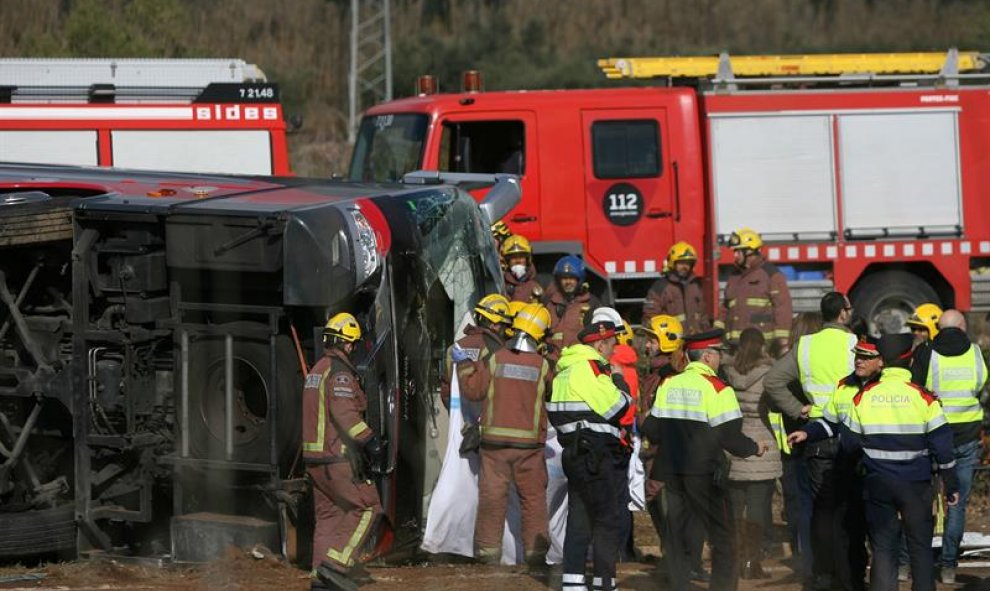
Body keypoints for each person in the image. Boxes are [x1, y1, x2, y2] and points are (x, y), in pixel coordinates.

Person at [643, 328, 768, 591]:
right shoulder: (719, 389)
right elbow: (730, 438)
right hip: (706, 474)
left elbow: (652, 430)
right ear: (708, 357)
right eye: (719, 353)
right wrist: (754, 448)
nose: (721, 359)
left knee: (676, 536)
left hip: (673, 474)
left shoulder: (669, 384)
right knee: (723, 536)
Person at [843, 334, 960, 591]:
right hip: (916, 486)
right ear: (909, 361)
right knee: (919, 547)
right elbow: (943, 448)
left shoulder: (863, 397)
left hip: (877, 485)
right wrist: (951, 485)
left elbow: (849, 446)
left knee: (883, 549)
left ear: (882, 361)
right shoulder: (925, 398)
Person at [764, 292, 856, 590]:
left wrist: (797, 409)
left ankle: (822, 573)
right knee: (852, 507)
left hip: (815, 430)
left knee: (821, 508)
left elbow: (773, 381)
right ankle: (849, 573)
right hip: (850, 429)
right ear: (843, 314)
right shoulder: (855, 343)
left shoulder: (805, 345)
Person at [788, 339, 882, 591]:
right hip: (847, 469)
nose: (858, 361)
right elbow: (830, 421)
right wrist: (808, 433)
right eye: (856, 356)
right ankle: (847, 581)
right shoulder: (844, 385)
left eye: (865, 357)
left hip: (876, 471)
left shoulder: (884, 388)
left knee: (872, 531)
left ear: (880, 361)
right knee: (845, 529)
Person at [462, 302, 552, 565]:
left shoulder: (495, 358)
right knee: (533, 500)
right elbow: (553, 395)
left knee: (492, 500)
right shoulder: (543, 366)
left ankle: (488, 556)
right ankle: (536, 557)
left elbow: (473, 392)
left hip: (494, 446)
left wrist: (466, 365)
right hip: (529, 448)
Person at [547, 320, 632, 591]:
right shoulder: (590, 368)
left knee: (579, 518)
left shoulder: (564, 370)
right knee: (607, 518)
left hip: (574, 451)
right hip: (596, 453)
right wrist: (619, 379)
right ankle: (604, 583)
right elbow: (618, 407)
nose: (614, 351)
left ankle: (573, 583)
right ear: (599, 344)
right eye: (612, 345)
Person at [303, 313, 386, 591]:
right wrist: (369, 441)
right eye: (352, 344)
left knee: (329, 516)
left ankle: (319, 577)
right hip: (336, 457)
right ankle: (335, 566)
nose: (353, 349)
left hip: (315, 460)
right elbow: (345, 412)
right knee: (368, 507)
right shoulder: (339, 372)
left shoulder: (317, 369)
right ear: (345, 343)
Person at [912, 310, 987, 584]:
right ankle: (948, 568)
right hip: (966, 436)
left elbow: (916, 389)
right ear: (963, 326)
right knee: (956, 504)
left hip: (932, 435)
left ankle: (907, 565)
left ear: (937, 328)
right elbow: (980, 385)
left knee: (919, 502)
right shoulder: (976, 353)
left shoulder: (926, 352)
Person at [723, 328, 781, 580]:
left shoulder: (727, 373)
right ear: (762, 347)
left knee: (735, 509)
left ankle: (734, 561)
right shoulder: (770, 374)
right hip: (762, 445)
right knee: (758, 508)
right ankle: (751, 562)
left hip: (734, 442)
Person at [718, 228, 792, 349]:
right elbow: (724, 308)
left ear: (749, 251)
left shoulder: (771, 274)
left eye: (738, 251)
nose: (735, 256)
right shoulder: (734, 277)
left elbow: (783, 309)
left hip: (761, 347)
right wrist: (717, 332)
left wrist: (782, 342)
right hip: (733, 346)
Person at [441, 293, 511, 409]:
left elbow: (446, 391)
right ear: (495, 324)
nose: (505, 331)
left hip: (460, 420)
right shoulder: (496, 349)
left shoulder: (456, 347)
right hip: (488, 419)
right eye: (504, 326)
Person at [642, 241, 709, 334]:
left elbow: (703, 314)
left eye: (688, 263)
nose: (685, 267)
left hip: (694, 340)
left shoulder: (695, 286)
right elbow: (650, 316)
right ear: (672, 263)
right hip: (671, 341)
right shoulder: (660, 286)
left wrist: (705, 332)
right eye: (681, 263)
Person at [544, 255, 601, 354]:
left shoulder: (592, 303)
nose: (568, 282)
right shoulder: (550, 303)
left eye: (572, 278)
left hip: (578, 359)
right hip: (552, 359)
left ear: (580, 280)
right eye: (564, 278)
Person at [501, 234, 544, 303]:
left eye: (521, 257)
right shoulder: (501, 285)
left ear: (527, 260)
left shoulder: (536, 287)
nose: (518, 261)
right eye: (513, 257)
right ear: (507, 261)